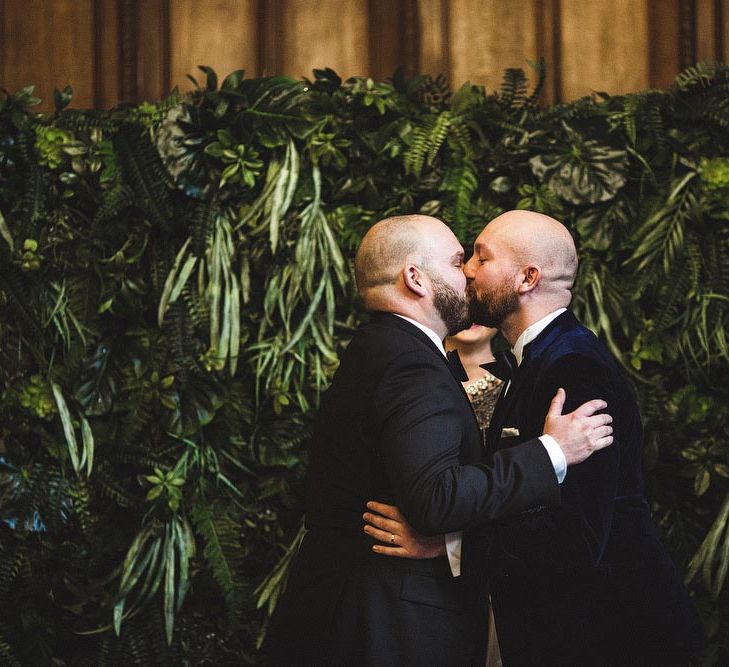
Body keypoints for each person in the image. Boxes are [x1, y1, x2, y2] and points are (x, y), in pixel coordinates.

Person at [264, 214, 613, 666]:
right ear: (415, 278)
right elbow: (437, 498)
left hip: (352, 612)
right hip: (385, 627)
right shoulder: (409, 364)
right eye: (457, 261)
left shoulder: (379, 348)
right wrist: (552, 452)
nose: (468, 271)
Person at [367, 210, 705, 665]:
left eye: (481, 259)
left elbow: (576, 537)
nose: (466, 269)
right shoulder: (542, 359)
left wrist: (449, 544)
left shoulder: (573, 369)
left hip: (612, 633)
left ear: (527, 278)